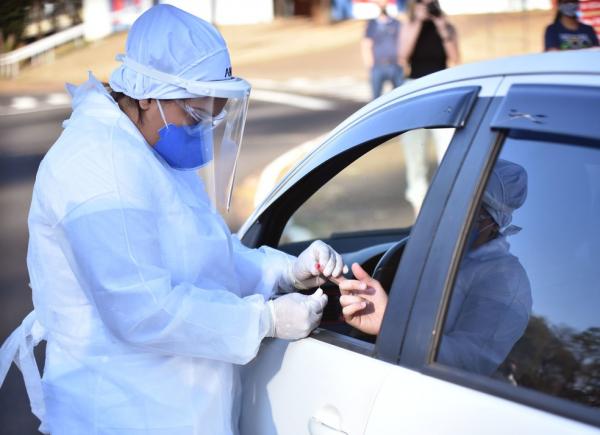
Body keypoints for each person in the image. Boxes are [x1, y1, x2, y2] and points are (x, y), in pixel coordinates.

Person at [0, 5, 346, 434]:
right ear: (145, 94)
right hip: (118, 415)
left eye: (214, 116)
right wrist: (264, 320)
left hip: (175, 411)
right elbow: (142, 310)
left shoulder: (150, 152)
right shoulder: (97, 166)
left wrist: (283, 272)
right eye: (196, 115)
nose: (203, 130)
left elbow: (205, 255)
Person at [339, 160, 532, 376]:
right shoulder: (446, 252)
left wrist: (390, 325)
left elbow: (469, 362)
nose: (457, 218)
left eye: (473, 212)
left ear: (495, 222)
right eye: (453, 203)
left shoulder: (505, 281)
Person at [399, 0, 459, 216]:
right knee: (414, 151)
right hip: (415, 90)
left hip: (443, 89)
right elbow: (402, 56)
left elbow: (455, 58)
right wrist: (418, 22)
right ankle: (418, 205)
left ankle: (449, 204)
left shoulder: (446, 26)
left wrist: (441, 24)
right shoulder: (408, 26)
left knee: (448, 148)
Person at [361, 0, 404, 100]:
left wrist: (402, 60)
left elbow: (402, 41)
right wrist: (369, 64)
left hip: (395, 64)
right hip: (378, 65)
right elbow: (366, 44)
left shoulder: (396, 23)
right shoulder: (372, 24)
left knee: (399, 97)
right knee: (376, 99)